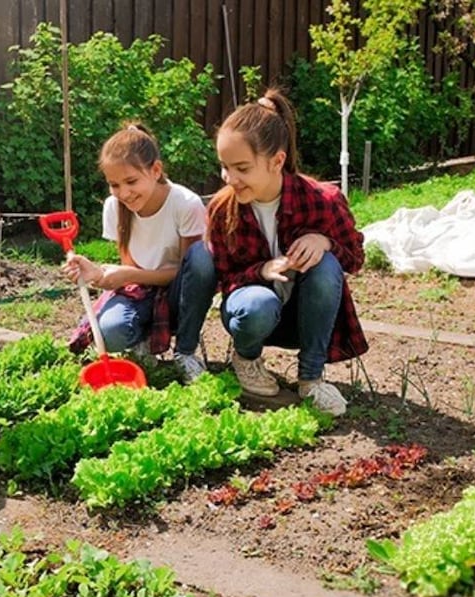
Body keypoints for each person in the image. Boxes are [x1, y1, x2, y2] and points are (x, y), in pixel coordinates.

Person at [204, 89, 368, 416]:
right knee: (257, 304)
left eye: (242, 168)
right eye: (224, 167)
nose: (230, 178)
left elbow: (354, 259)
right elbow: (224, 279)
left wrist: (325, 243)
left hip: (303, 318)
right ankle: (247, 360)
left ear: (277, 161)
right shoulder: (222, 209)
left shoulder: (323, 200)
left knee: (326, 266)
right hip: (253, 315)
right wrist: (261, 270)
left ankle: (311, 379)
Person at [63, 123, 217, 383]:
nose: (124, 193)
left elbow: (192, 272)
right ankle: (142, 342)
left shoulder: (185, 204)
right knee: (110, 331)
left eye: (131, 181)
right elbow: (130, 271)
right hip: (142, 290)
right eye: (114, 184)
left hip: (182, 294)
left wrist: (128, 275)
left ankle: (185, 352)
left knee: (203, 256)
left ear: (156, 170)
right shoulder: (115, 207)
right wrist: (97, 273)